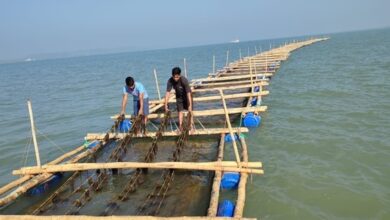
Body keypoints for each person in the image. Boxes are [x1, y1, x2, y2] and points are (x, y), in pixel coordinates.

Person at [164, 67, 194, 133]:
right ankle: (180, 127)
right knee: (180, 111)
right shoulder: (170, 81)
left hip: (187, 96)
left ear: (180, 75)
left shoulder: (184, 80)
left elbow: (188, 94)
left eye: (177, 77)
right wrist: (165, 105)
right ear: (172, 75)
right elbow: (167, 93)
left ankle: (191, 127)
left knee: (189, 111)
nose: (176, 79)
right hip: (179, 97)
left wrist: (190, 105)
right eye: (174, 77)